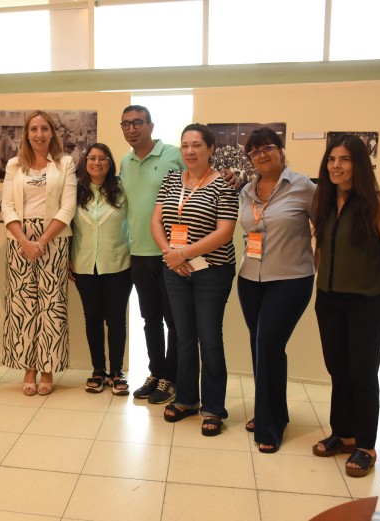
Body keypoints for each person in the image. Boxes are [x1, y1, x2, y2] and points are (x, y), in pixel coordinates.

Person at [312, 134, 380, 477]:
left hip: (367, 302)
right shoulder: (324, 200)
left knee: (362, 373)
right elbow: (321, 247)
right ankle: (343, 433)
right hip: (329, 300)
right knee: (338, 370)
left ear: (359, 164)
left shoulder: (376, 203)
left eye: (345, 159)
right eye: (332, 159)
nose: (336, 165)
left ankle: (365, 444)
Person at [151, 123, 238, 435]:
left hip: (212, 271)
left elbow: (225, 232)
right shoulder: (172, 179)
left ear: (210, 149)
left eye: (197, 145)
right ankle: (187, 399)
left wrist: (183, 253)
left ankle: (214, 407)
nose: (190, 150)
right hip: (175, 270)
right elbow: (156, 220)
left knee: (210, 339)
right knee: (184, 336)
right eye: (185, 145)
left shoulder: (224, 185)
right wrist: (169, 254)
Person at [236, 127, 317, 453]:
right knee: (263, 349)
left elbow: (325, 228)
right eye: (254, 151)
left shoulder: (303, 187)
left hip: (291, 278)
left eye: (268, 147)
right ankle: (274, 412)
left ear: (280, 150)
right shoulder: (247, 191)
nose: (261, 154)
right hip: (250, 278)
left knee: (268, 342)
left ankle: (269, 427)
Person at [1, 110, 77, 396]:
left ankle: (48, 369)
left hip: (53, 239)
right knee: (23, 306)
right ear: (26, 134)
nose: (39, 134)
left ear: (52, 134)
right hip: (18, 241)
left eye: (45, 129)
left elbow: (67, 207)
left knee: (52, 305)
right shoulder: (14, 165)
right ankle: (28, 369)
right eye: (34, 129)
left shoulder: (64, 164)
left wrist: (41, 241)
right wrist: (24, 240)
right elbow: (7, 206)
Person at [119, 105, 185, 404]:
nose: (132, 129)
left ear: (151, 125)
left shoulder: (174, 155)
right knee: (150, 319)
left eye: (137, 123)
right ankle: (156, 373)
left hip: (171, 254)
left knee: (174, 320)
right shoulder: (125, 162)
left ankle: (172, 377)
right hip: (140, 253)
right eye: (126, 124)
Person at [70, 143, 132, 395]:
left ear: (110, 162)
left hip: (118, 263)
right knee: (92, 318)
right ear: (85, 162)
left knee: (116, 319)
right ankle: (98, 370)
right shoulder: (75, 191)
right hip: (84, 264)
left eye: (102, 158)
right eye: (92, 158)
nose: (97, 163)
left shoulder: (122, 190)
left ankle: (116, 371)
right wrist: (66, 259)